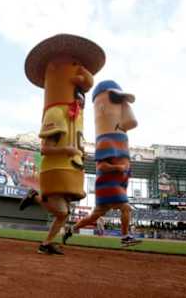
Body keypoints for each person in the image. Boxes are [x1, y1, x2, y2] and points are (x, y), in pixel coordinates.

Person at [20, 34, 106, 255]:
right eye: (78, 95)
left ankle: (46, 240)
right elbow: (45, 148)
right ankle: (45, 242)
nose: (81, 99)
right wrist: (67, 150)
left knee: (63, 212)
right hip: (56, 168)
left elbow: (74, 143)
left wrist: (79, 154)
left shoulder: (76, 118)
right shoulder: (57, 113)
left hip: (71, 169)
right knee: (62, 212)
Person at [63, 80, 142, 247]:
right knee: (126, 208)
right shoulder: (106, 141)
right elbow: (101, 167)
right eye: (117, 101)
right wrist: (118, 168)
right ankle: (125, 236)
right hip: (109, 184)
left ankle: (71, 230)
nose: (124, 107)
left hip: (114, 185)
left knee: (93, 216)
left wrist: (124, 171)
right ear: (102, 108)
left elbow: (133, 122)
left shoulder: (119, 139)